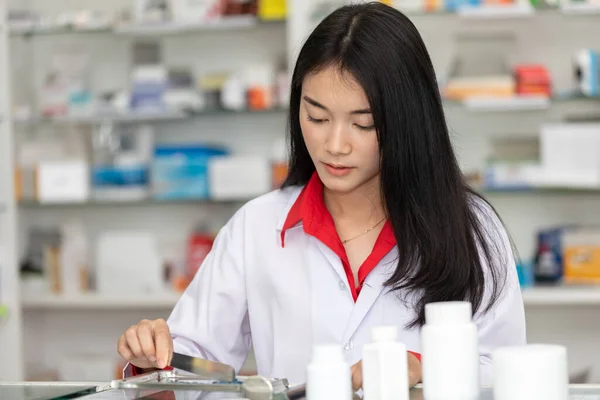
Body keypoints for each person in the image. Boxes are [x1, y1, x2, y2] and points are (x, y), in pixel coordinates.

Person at [117, 1, 526, 389]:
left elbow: (508, 371)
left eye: (362, 124)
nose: (334, 144)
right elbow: (197, 364)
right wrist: (156, 359)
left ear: (408, 121)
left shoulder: (472, 229)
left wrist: (424, 367)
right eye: (316, 116)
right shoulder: (256, 228)